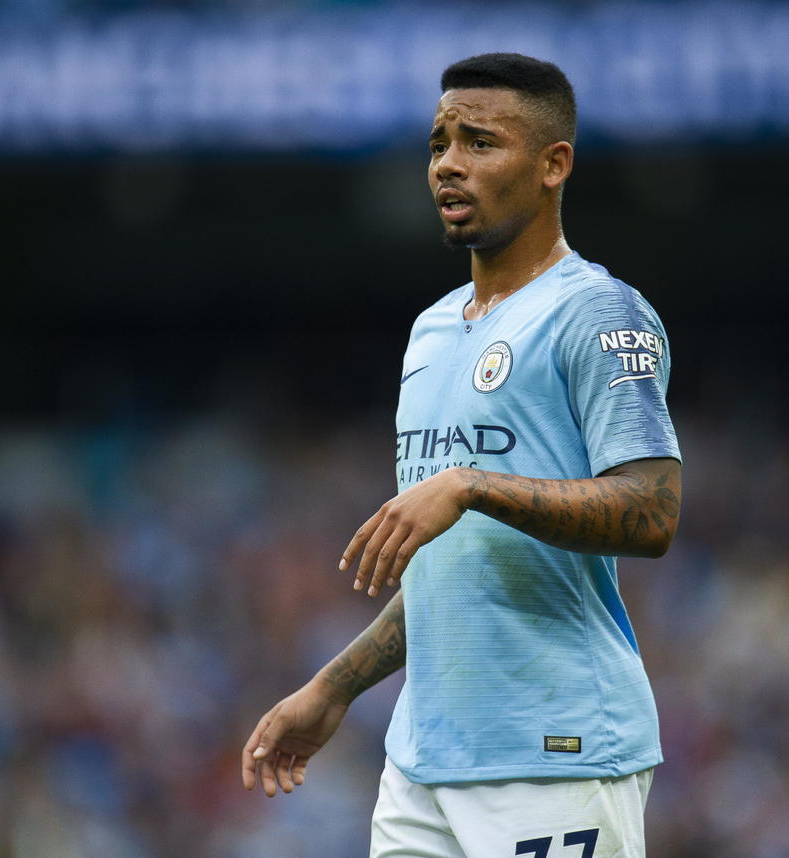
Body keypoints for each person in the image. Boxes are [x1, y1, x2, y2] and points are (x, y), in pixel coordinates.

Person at [242, 53, 682, 858]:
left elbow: (652, 512)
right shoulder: (433, 330)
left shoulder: (596, 312)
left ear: (553, 165)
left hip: (554, 753)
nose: (448, 163)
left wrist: (472, 485)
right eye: (439, 142)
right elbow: (458, 570)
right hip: (423, 764)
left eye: (480, 142)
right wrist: (334, 688)